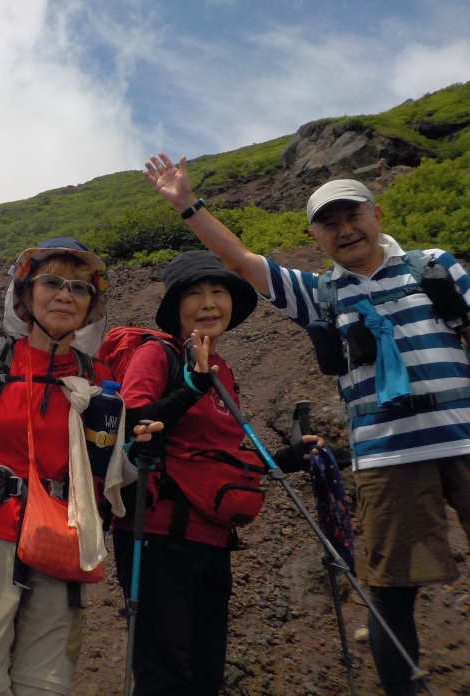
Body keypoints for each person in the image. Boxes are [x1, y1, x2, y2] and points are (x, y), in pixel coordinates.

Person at [146, 153, 470, 696]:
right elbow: (238, 259)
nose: (344, 230)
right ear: (315, 234)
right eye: (329, 223)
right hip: (386, 457)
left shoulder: (435, 266)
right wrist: (188, 204)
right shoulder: (319, 294)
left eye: (353, 216)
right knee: (392, 588)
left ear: (376, 214)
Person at [0, 238, 155, 696]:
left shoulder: (98, 377)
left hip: (64, 536)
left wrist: (138, 452)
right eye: (50, 282)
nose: (64, 295)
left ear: (92, 305)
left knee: (46, 684)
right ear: (25, 295)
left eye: (79, 287)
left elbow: (107, 468)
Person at [113, 250, 321, 696]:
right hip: (156, 534)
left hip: (211, 536)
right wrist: (191, 385)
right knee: (166, 672)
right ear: (175, 309)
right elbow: (132, 422)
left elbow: (219, 456)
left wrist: (289, 457)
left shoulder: (222, 368)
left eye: (218, 291)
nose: (209, 303)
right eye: (195, 294)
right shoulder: (157, 354)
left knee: (207, 672)